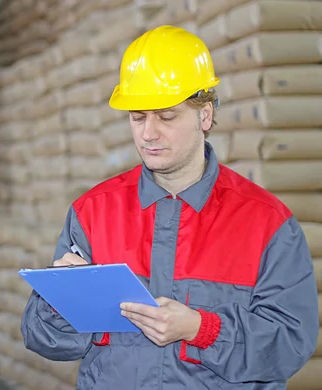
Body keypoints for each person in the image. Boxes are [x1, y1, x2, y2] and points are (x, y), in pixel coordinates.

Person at [20, 25, 318, 389]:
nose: (148, 133)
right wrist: (59, 301)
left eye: (166, 116)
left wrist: (201, 329)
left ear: (204, 116)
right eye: (138, 117)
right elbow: (44, 340)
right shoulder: (93, 213)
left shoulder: (267, 223)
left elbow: (289, 345)